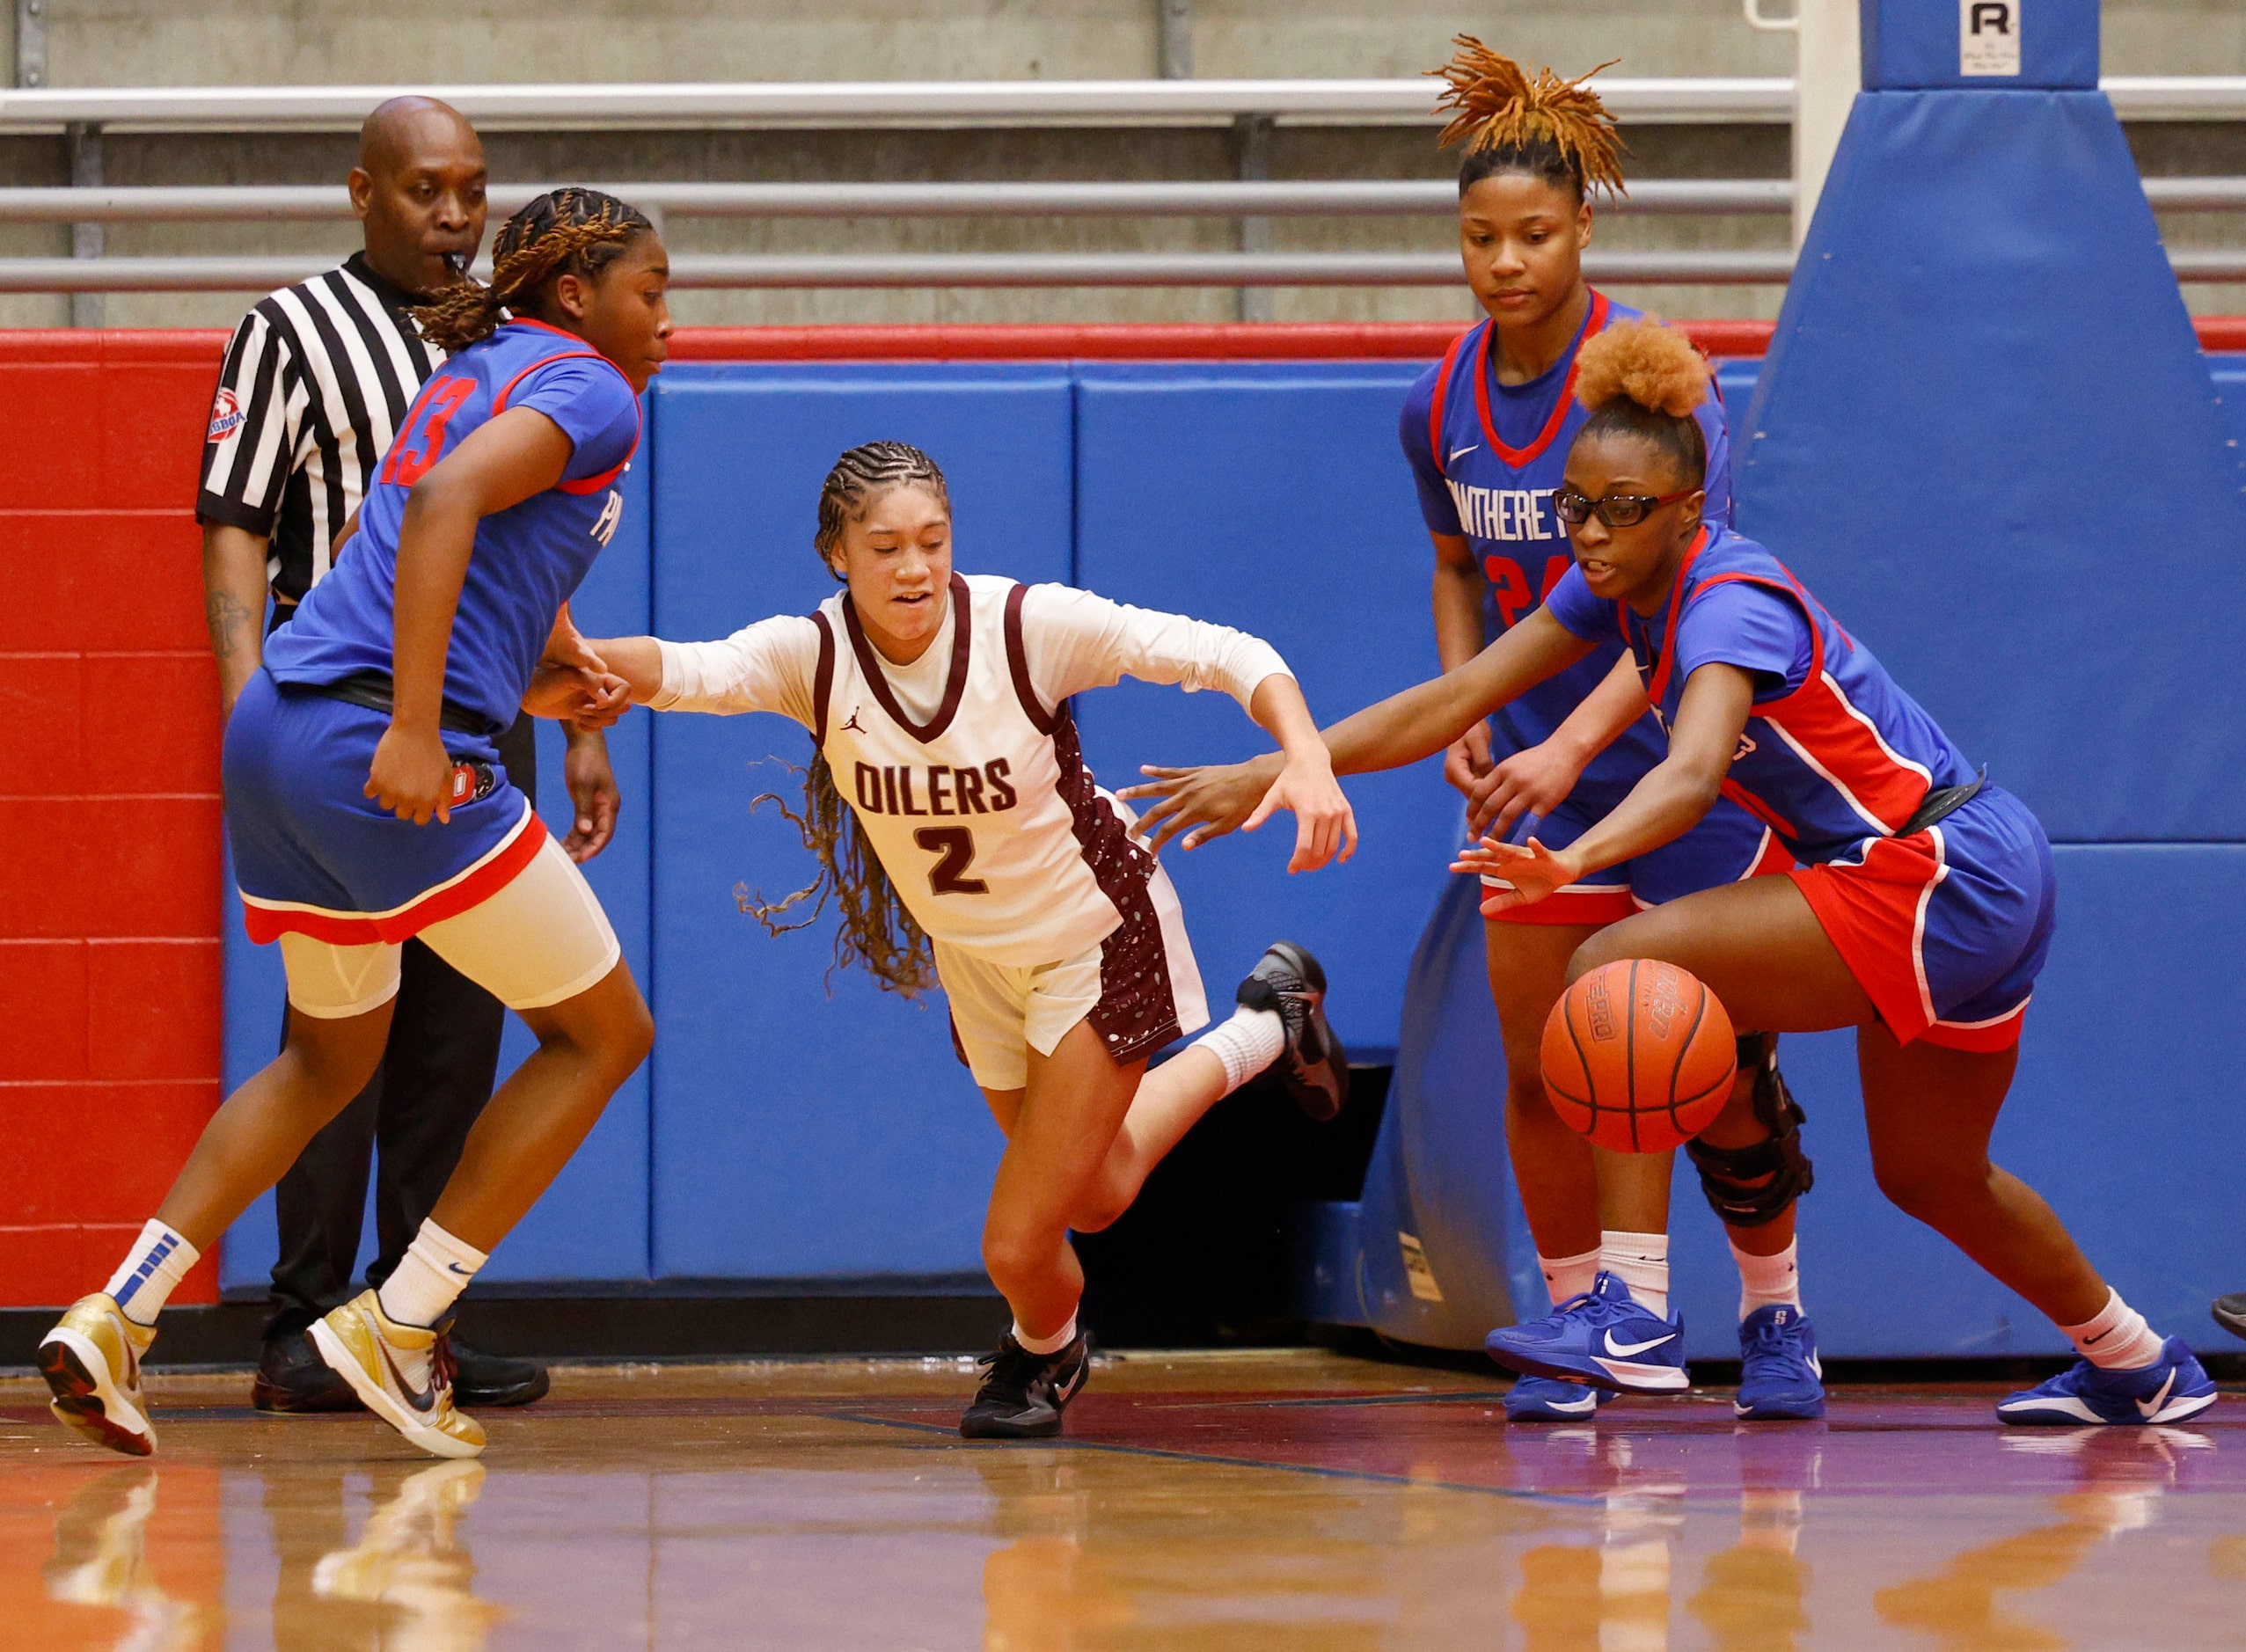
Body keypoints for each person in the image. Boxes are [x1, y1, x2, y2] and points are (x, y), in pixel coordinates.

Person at [1129, 318, 2214, 1428]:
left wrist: (1576, 860)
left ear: (1690, 510)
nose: (1591, 533)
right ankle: (2137, 1359)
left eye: (1623, 509)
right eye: (1574, 506)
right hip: (1968, 870)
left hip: (1937, 870)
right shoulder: (1616, 587)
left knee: (1617, 963)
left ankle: (1633, 1312)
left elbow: (1692, 777)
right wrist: (1275, 763)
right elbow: (1451, 702)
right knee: (1931, 1175)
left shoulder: (1729, 600)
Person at [40, 187, 670, 1461]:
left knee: (327, 1060)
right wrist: (423, 728)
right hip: (370, 734)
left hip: (276, 732)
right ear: (575, 296)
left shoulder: (480, 363)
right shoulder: (592, 387)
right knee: (602, 1033)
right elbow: (439, 509)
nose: (670, 317)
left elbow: (468, 545)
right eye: (652, 290)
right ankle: (401, 1318)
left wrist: (546, 669)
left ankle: (120, 1312)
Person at [583, 440, 1357, 1440]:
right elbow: (685, 670)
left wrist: (1304, 755)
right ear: (836, 556)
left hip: (1095, 936)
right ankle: (1270, 1023)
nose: (914, 568)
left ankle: (1047, 1351)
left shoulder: (1026, 629)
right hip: (979, 961)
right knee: (1101, 1190)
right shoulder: (811, 657)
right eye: (886, 547)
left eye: (932, 542)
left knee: (1017, 1241)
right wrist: (574, 663)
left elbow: (1229, 654)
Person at [1402, 38, 1819, 1421]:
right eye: (1479, 237)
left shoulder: (1650, 382)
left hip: (1680, 776)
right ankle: (1583, 1314)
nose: (1505, 260)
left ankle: (1775, 1312)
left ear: (1585, 225)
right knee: (1546, 1064)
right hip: (1536, 788)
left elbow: (1689, 612)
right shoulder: (1439, 406)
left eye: (1532, 232)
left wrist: (1569, 738)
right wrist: (1467, 703)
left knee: (1701, 1064)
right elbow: (1459, 563)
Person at [197, 95, 618, 1414]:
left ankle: (408, 1315)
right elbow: (232, 521)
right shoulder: (287, 331)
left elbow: (520, 546)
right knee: (340, 1034)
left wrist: (584, 721)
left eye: (473, 190)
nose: (454, 215)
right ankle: (304, 1314)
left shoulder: (508, 334)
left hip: (480, 709)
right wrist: (241, 695)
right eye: (428, 189)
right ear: (362, 193)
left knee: (459, 1029)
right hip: (347, 716)